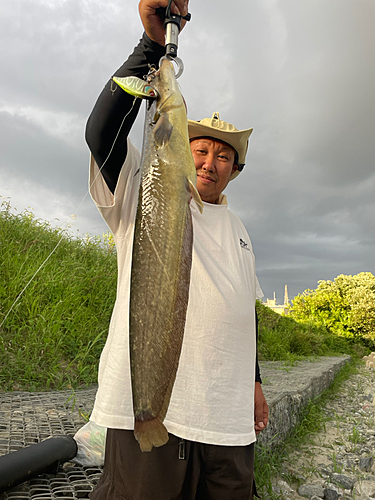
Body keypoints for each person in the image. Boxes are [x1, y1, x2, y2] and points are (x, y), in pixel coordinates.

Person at [86, 1, 269, 498]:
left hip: (227, 426)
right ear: (180, 147)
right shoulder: (144, 194)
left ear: (235, 168)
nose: (210, 161)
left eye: (223, 154)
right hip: (148, 413)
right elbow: (101, 133)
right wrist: (150, 47)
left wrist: (253, 383)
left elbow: (242, 314)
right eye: (201, 148)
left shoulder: (241, 231)